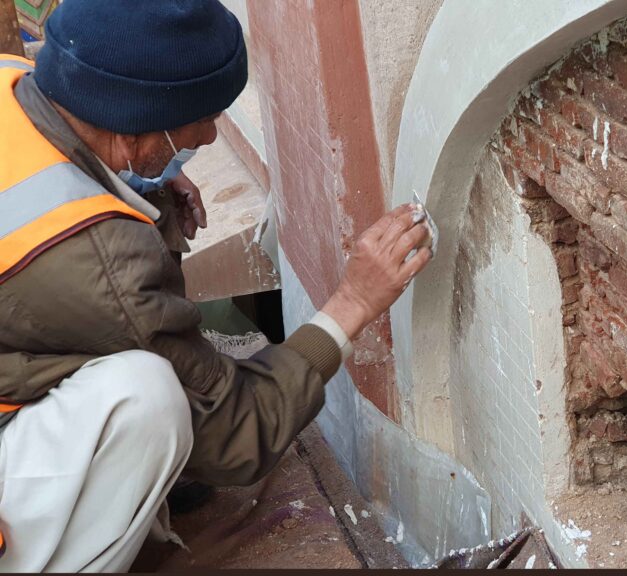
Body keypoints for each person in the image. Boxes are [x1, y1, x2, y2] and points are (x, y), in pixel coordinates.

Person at [0, 0, 432, 571]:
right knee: (149, 396)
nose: (208, 132)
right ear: (135, 127)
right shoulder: (104, 261)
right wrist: (353, 303)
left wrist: (136, 175)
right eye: (198, 122)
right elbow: (239, 430)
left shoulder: (16, 78)